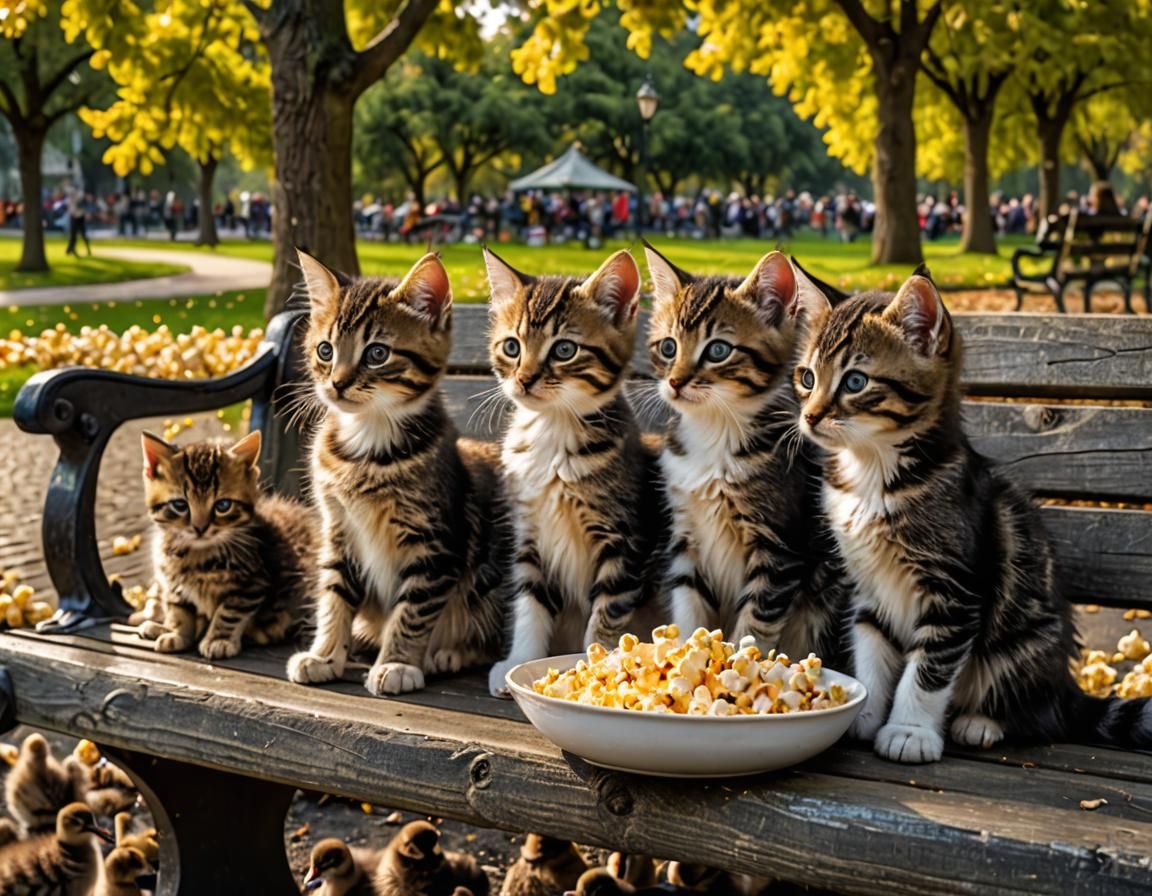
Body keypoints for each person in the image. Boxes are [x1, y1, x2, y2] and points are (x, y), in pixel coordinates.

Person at [64, 182, 91, 257]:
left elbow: (81, 203)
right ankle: (71, 249)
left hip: (79, 217)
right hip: (74, 216)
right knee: (73, 236)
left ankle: (88, 250)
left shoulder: (79, 195)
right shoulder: (71, 197)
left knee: (83, 234)